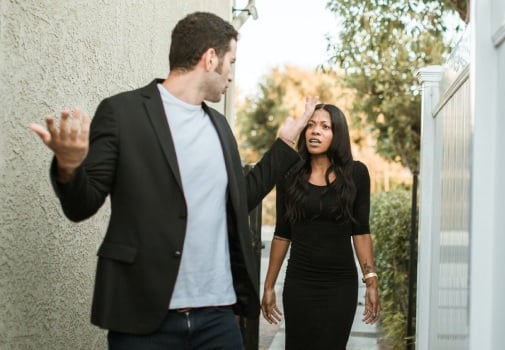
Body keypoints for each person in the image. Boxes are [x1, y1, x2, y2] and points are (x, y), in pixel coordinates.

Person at [28, 11, 318, 349]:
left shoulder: (220, 127)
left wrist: (283, 145)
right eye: (231, 62)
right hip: (143, 318)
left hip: (217, 317)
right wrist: (69, 164)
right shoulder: (122, 113)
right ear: (211, 58)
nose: (231, 76)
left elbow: (239, 202)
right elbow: (81, 205)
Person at [261, 104, 380, 349]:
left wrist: (371, 282)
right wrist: (269, 285)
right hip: (299, 284)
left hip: (340, 287)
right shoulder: (289, 174)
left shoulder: (356, 174)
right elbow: (282, 234)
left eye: (325, 127)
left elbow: (361, 233)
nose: (315, 132)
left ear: (338, 135)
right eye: (311, 125)